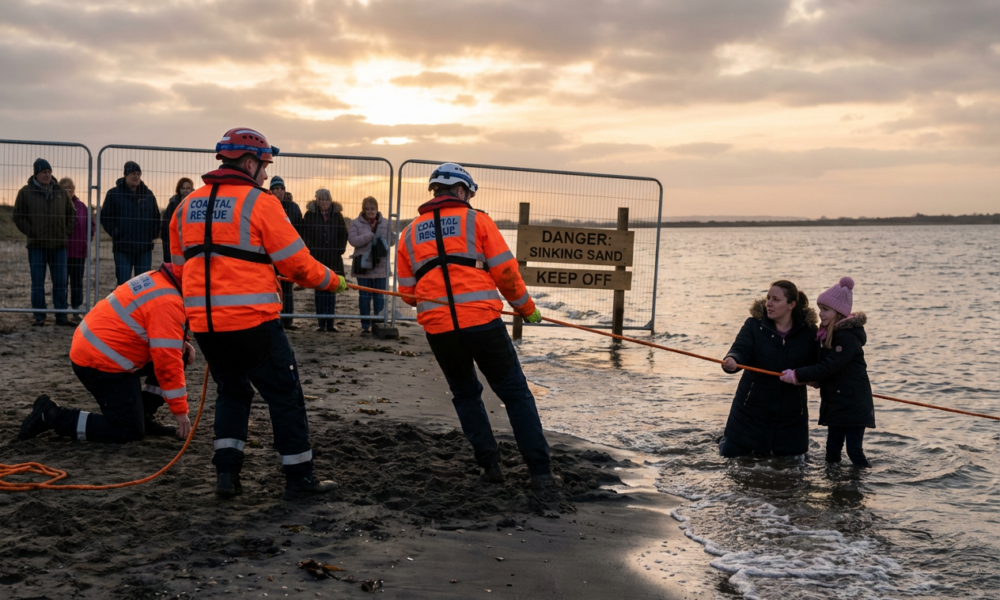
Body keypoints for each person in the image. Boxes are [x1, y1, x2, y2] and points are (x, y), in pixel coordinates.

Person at [168, 127, 347, 500]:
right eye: (265, 166)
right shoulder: (261, 203)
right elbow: (297, 264)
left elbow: (181, 268)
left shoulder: (186, 207)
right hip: (252, 322)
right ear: (249, 163)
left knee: (232, 392)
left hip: (205, 325)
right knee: (285, 394)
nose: (266, 175)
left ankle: (227, 477)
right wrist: (334, 282)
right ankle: (299, 478)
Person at [395, 162, 554, 488]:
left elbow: (408, 294)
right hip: (483, 324)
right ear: (462, 191)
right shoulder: (477, 220)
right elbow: (506, 273)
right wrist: (527, 309)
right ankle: (540, 472)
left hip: (439, 329)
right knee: (516, 395)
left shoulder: (409, 233)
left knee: (466, 395)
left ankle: (490, 468)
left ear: (434, 192)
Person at [18, 263, 194, 443]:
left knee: (180, 355)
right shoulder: (167, 302)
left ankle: (143, 415)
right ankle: (53, 416)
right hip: (101, 361)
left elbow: (157, 330)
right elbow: (167, 363)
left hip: (100, 349)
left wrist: (181, 342)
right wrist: (180, 412)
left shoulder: (159, 279)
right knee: (128, 430)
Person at [781, 277, 874, 467]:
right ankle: (834, 483)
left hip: (854, 403)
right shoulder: (825, 335)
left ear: (839, 312)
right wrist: (815, 380)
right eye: (820, 308)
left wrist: (797, 375)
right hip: (836, 402)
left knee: (854, 449)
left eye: (826, 309)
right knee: (832, 448)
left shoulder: (847, 338)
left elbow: (829, 366)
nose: (820, 313)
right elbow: (825, 367)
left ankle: (862, 485)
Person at [719, 280, 818, 457]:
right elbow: (740, 349)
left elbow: (819, 365)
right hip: (750, 410)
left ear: (791, 304)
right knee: (731, 458)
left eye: (776, 299)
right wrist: (732, 360)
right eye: (768, 298)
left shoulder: (809, 331)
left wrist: (814, 378)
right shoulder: (753, 325)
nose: (769, 304)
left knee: (792, 469)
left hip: (792, 415)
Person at [13, 158, 76, 327]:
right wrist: (32, 231)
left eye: (49, 172)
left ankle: (61, 316)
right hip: (37, 246)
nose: (47, 175)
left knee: (60, 282)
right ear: (36, 174)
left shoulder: (61, 192)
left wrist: (65, 232)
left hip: (58, 246)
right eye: (43, 172)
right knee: (38, 282)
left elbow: (71, 215)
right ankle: (39, 316)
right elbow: (18, 216)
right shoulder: (25, 192)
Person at [101, 161, 160, 286]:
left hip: (144, 248)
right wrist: (116, 233)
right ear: (125, 175)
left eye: (138, 173)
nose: (136, 176)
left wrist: (152, 235)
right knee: (124, 285)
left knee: (143, 285)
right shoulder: (113, 194)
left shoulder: (148, 195)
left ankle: (142, 306)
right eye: (133, 173)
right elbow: (105, 217)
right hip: (123, 248)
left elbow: (156, 217)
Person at [301, 189, 348, 332]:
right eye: (321, 200)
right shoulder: (310, 215)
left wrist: (340, 249)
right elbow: (304, 233)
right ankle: (321, 323)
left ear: (330, 201)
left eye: (327, 200)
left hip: (333, 258)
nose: (324, 202)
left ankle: (330, 323)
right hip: (317, 258)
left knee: (332, 289)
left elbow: (343, 234)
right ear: (317, 201)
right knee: (320, 290)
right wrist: (311, 251)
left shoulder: (337, 216)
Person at [348, 196, 393, 334]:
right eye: (367, 209)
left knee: (380, 296)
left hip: (380, 266)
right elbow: (353, 241)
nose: (370, 211)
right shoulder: (355, 223)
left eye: (372, 209)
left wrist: (391, 238)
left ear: (377, 209)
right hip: (363, 266)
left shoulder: (385, 223)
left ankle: (378, 323)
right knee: (364, 296)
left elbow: (390, 241)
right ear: (363, 210)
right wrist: (370, 236)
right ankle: (365, 324)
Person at [60, 177, 96, 320]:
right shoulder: (57, 205)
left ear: (73, 190)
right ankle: (62, 310)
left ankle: (76, 310)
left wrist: (89, 237)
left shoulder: (81, 206)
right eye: (64, 188)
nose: (67, 191)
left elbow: (90, 224)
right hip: (62, 250)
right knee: (62, 282)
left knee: (77, 282)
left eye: (69, 188)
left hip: (79, 251)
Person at [269, 176, 303, 330]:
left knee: (288, 288)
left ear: (284, 190)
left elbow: (299, 228)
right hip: (270, 254)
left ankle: (288, 319)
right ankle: (275, 318)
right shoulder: (266, 205)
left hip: (289, 253)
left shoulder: (293, 207)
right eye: (275, 188)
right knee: (273, 287)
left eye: (280, 188)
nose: (278, 191)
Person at [160, 177, 194, 263]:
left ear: (192, 189)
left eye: (188, 188)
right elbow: (166, 224)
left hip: (190, 240)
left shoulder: (195, 204)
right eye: (183, 188)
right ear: (179, 189)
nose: (186, 191)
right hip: (175, 240)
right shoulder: (173, 204)